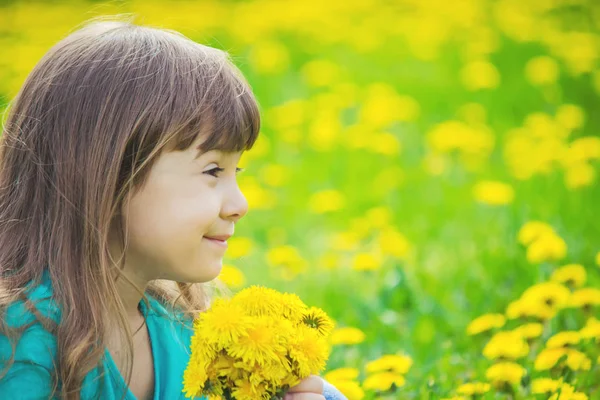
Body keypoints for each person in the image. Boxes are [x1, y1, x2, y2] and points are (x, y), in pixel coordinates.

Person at [0, 15, 348, 400]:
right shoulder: (21, 343)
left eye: (238, 171)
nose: (240, 204)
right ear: (110, 179)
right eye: (213, 170)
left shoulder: (182, 329)